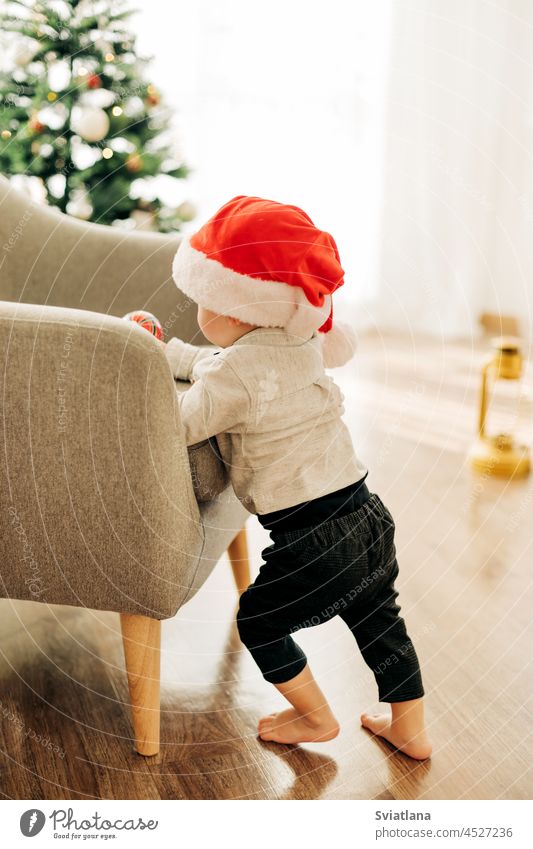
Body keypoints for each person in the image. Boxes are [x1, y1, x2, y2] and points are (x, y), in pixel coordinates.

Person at [164, 195, 432, 759]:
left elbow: (183, 422)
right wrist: (164, 351)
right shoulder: (298, 341)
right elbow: (217, 366)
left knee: (260, 622)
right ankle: (410, 726)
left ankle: (314, 718)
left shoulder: (236, 369)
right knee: (379, 617)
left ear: (234, 309)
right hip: (366, 515)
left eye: (201, 302)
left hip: (311, 539)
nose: (197, 313)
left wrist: (140, 375)